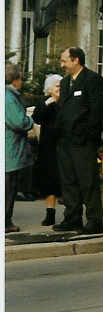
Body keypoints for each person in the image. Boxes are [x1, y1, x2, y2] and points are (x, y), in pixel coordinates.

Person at [53, 47, 103, 234]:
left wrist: (89, 135)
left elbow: (97, 110)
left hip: (83, 141)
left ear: (76, 60)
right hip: (65, 141)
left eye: (64, 61)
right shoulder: (65, 83)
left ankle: (94, 220)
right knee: (69, 181)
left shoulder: (92, 80)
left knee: (87, 180)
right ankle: (72, 217)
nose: (62, 65)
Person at [5, 63, 34, 233]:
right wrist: (30, 121)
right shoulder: (9, 97)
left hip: (9, 149)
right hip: (11, 150)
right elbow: (18, 122)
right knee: (9, 188)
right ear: (15, 80)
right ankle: (6, 222)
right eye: (20, 78)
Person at [32, 74, 63, 226]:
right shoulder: (44, 103)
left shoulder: (67, 102)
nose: (60, 89)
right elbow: (37, 118)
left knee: (66, 180)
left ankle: (71, 214)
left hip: (64, 147)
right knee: (49, 181)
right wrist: (50, 102)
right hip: (48, 149)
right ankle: (50, 214)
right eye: (57, 86)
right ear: (49, 89)